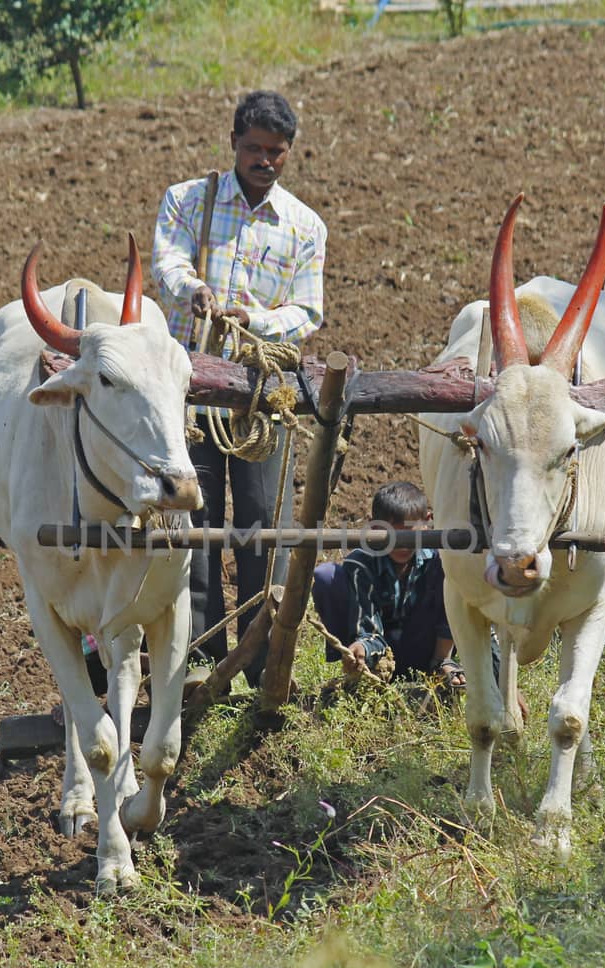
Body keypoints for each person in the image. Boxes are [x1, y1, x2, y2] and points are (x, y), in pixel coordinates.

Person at [151, 90, 327, 685]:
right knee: (195, 526)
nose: (264, 160)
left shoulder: (305, 227)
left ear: (289, 154)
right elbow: (167, 264)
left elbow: (308, 313)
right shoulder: (187, 201)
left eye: (275, 151)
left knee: (261, 526)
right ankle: (201, 659)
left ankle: (258, 660)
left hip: (261, 398)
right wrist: (192, 290)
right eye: (253, 148)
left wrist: (258, 322)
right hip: (192, 394)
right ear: (233, 143)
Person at [311, 481, 463, 692]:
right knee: (325, 575)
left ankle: (442, 664)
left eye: (409, 533)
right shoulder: (361, 564)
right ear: (373, 527)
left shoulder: (438, 559)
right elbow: (369, 630)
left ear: (427, 522)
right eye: (390, 534)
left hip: (426, 644)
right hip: (382, 652)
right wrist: (363, 646)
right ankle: (362, 669)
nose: (401, 544)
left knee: (454, 566)